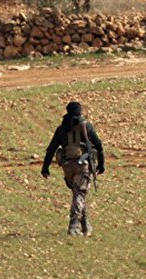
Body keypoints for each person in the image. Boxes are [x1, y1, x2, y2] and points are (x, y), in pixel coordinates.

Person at [41, 101, 105, 236]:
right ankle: (74, 225)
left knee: (78, 193)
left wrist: (45, 167)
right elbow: (98, 145)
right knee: (80, 194)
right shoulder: (86, 126)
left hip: (67, 167)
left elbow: (51, 149)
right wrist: (101, 164)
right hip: (82, 166)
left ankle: (85, 224)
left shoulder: (61, 129)